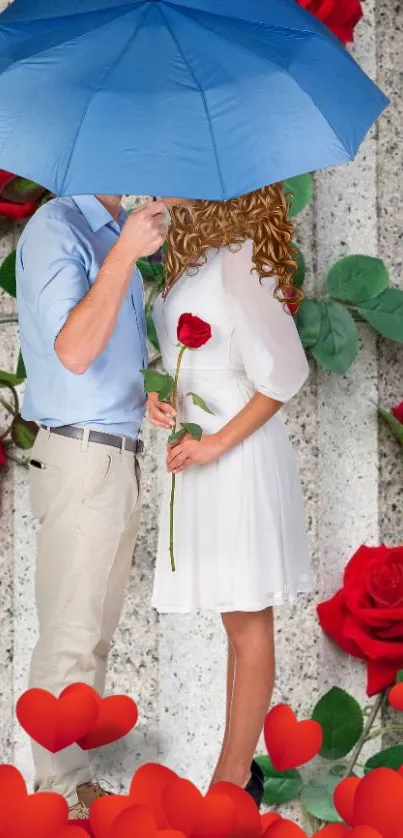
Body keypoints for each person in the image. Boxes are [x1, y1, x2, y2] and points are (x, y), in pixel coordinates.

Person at [148, 186, 311, 807]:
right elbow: (190, 360)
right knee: (233, 619)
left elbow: (282, 377)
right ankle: (233, 774)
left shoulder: (241, 255)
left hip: (236, 456)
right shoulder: (189, 256)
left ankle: (230, 781)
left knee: (248, 621)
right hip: (197, 451)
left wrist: (217, 444)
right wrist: (159, 395)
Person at [16, 194, 168, 819]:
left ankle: (73, 786)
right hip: (81, 456)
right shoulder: (58, 227)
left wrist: (145, 399)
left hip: (117, 451)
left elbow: (98, 365)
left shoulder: (110, 232)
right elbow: (73, 351)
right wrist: (126, 255)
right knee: (72, 635)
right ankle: (55, 798)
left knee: (95, 637)